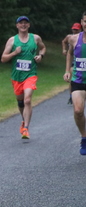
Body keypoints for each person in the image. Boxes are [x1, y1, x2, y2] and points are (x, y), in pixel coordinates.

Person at [1, 16, 46, 139]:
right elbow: (3, 58)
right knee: (20, 102)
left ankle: (26, 128)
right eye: (21, 23)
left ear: (29, 25)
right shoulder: (12, 41)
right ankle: (24, 120)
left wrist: (40, 56)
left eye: (26, 23)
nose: (23, 25)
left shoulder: (35, 38)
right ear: (17, 26)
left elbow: (43, 48)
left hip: (30, 74)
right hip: (17, 76)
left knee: (27, 100)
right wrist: (15, 53)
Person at [63, 11, 86, 155]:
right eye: (85, 21)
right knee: (78, 110)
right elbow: (70, 53)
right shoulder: (74, 39)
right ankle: (84, 137)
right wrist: (67, 70)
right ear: (82, 22)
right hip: (78, 80)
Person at [62, 22, 82, 104]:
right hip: (74, 60)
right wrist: (64, 49)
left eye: (76, 30)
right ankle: (71, 95)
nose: (75, 31)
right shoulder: (69, 37)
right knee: (72, 75)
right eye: (74, 29)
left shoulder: (81, 37)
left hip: (81, 59)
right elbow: (64, 41)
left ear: (80, 29)